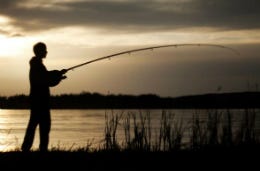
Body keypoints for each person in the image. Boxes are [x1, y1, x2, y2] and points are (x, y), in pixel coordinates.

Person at [21, 42, 67, 152]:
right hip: (40, 100)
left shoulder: (37, 64)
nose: (46, 52)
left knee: (35, 124)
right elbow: (46, 80)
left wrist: (58, 74)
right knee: (43, 125)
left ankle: (27, 148)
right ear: (40, 51)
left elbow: (46, 77)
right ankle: (39, 150)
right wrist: (58, 76)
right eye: (44, 50)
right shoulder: (37, 65)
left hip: (37, 100)